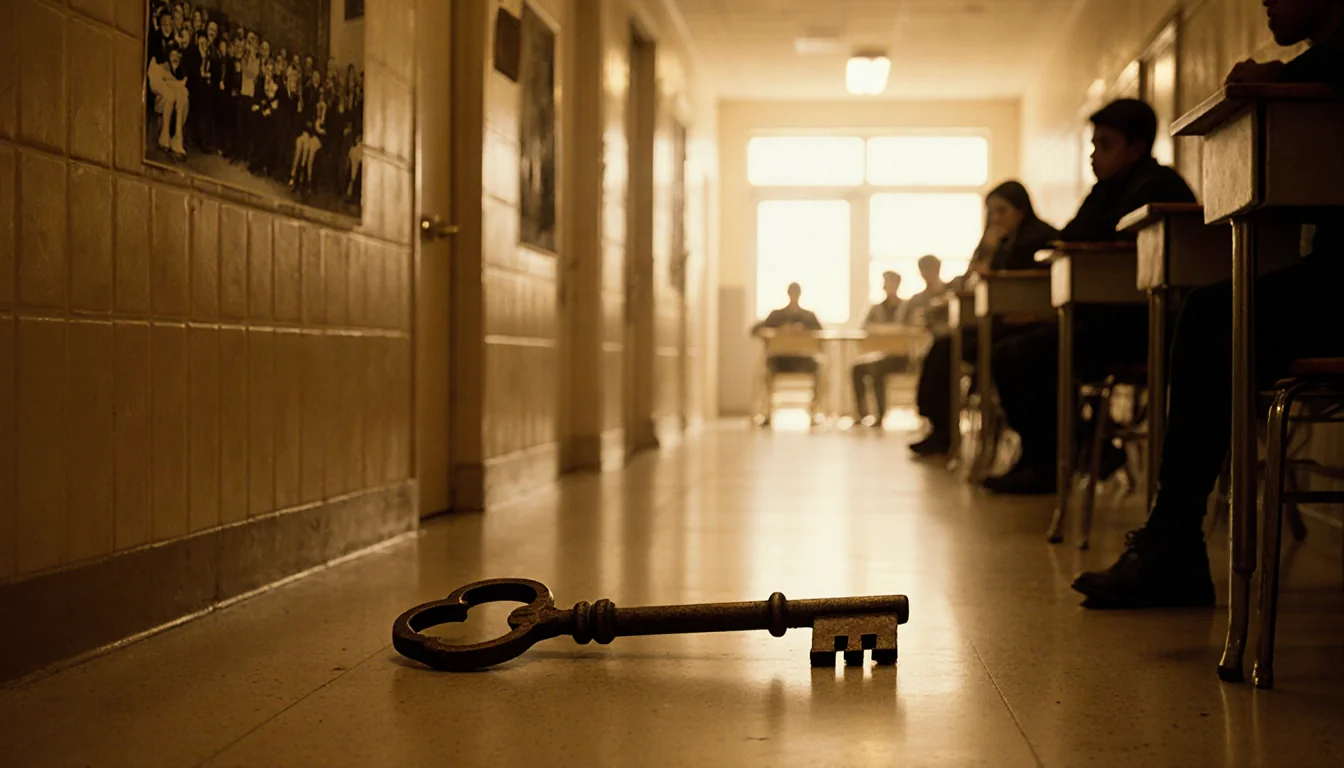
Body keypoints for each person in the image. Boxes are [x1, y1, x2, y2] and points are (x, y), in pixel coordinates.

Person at [1074, 0, 1344, 609]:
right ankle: (1167, 535)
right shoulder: (1314, 77)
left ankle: (1172, 543)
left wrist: (1283, 75)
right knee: (1206, 317)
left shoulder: (1317, 76)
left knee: (1206, 317)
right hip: (1327, 276)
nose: (1265, 3)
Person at [982, 100, 1196, 493]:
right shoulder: (1106, 191)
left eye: (1106, 145)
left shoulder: (1156, 187)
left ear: (1135, 148)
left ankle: (1051, 460)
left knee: (1016, 356)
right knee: (1015, 351)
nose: (1094, 155)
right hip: (1109, 322)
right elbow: (1066, 241)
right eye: (1094, 144)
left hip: (1147, 327)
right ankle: (1075, 449)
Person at [910, 182, 1060, 456]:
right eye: (990, 212)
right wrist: (986, 249)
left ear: (1021, 210)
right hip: (1002, 320)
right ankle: (940, 426)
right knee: (943, 346)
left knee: (952, 349)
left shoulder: (1037, 238)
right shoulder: (1004, 242)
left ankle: (947, 431)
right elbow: (972, 281)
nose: (995, 219)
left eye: (1001, 211)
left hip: (1027, 321)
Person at [752, 283, 825, 427]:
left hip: (803, 359)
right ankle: (767, 410)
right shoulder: (776, 316)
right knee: (766, 368)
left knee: (820, 368)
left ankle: (814, 410)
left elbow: (821, 333)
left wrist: (803, 331)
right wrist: (779, 330)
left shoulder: (808, 317)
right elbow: (756, 330)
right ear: (788, 294)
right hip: (780, 360)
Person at [852, 272, 909, 427]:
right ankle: (862, 414)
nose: (886, 285)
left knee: (878, 370)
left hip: (901, 357)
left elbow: (913, 330)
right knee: (857, 368)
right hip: (880, 354)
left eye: (889, 282)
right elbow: (864, 327)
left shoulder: (907, 307)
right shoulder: (876, 308)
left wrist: (892, 331)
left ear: (897, 284)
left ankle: (880, 415)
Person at [902, 255, 948, 322]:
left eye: (929, 269)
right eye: (922, 270)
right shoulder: (915, 300)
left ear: (937, 270)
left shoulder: (952, 296)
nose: (925, 273)